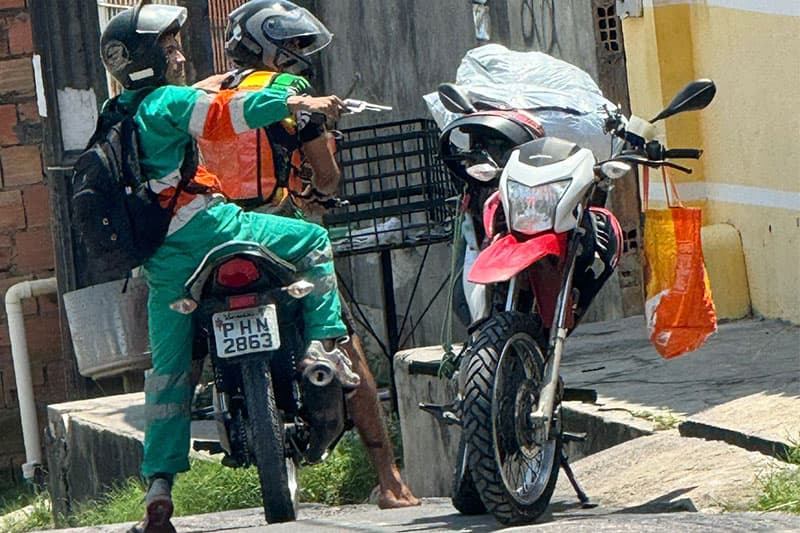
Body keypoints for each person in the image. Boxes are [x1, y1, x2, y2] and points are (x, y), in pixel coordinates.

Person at [98, 3, 360, 532]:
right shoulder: (169, 102)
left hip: (165, 264)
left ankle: (159, 487)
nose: (178, 56)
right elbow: (226, 117)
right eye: (169, 47)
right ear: (148, 58)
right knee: (311, 240)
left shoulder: (117, 114)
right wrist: (295, 97)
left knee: (169, 375)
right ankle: (321, 345)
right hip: (214, 231)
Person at [195, 0, 420, 511]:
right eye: (292, 46)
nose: (299, 56)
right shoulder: (292, 95)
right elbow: (328, 176)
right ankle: (388, 479)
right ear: (271, 46)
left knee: (182, 340)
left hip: (205, 234)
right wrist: (317, 184)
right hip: (275, 225)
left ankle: (163, 459)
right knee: (342, 336)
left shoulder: (199, 93)